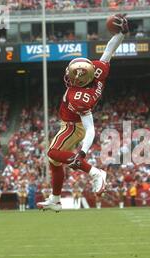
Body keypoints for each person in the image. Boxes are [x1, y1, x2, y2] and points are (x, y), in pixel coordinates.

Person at [37, 14, 129, 212]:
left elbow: (90, 129)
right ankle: (55, 199)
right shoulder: (96, 71)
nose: (70, 77)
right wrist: (122, 34)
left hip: (72, 126)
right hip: (72, 124)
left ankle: (96, 173)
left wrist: (83, 154)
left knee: (52, 153)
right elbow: (109, 50)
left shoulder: (78, 97)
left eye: (73, 76)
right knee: (54, 162)